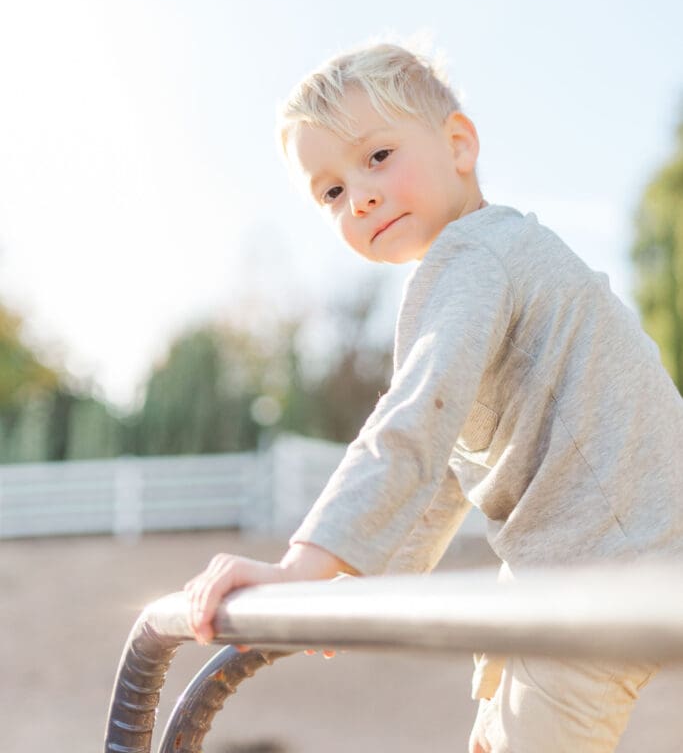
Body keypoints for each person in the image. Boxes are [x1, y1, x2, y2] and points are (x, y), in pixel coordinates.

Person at [184, 42, 683, 752]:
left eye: (377, 157)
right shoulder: (498, 253)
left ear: (457, 145)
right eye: (329, 191)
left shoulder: (470, 259)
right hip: (591, 554)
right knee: (493, 706)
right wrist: (363, 585)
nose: (358, 195)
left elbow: (413, 421)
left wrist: (303, 565)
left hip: (610, 562)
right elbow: (446, 467)